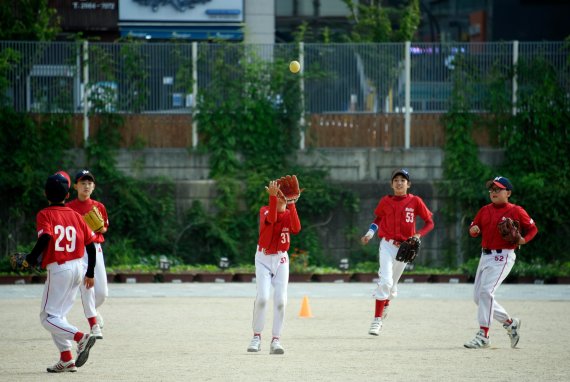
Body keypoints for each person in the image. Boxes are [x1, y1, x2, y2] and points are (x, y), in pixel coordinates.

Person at [24, 173, 98, 372]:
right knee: (58, 316)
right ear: (67, 194)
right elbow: (91, 246)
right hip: (77, 268)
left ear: (45, 194)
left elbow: (46, 237)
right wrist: (90, 272)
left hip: (60, 268)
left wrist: (30, 259)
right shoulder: (76, 215)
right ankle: (66, 359)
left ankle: (80, 338)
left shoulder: (45, 214)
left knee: (47, 317)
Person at [465, 176, 538, 349]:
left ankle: (484, 335)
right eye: (492, 189)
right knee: (479, 297)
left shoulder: (516, 210)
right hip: (485, 256)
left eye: (498, 189)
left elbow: (533, 228)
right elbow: (473, 229)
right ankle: (510, 323)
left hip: (503, 256)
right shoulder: (484, 210)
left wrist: (524, 240)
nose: (494, 192)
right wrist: (474, 230)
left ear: (508, 193)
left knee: (486, 292)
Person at [361, 168, 434, 336]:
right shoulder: (385, 201)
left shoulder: (415, 201)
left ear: (408, 184)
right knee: (385, 281)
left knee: (392, 287)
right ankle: (377, 320)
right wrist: (369, 234)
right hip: (386, 245)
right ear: (391, 184)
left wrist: (418, 234)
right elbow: (378, 219)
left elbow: (429, 223)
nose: (399, 182)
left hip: (405, 247)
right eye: (396, 180)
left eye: (403, 180)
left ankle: (386, 303)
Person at [247, 178, 302, 355]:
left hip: (281, 260)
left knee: (280, 301)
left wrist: (292, 203)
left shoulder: (288, 213)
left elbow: (296, 228)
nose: (281, 199)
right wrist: (272, 198)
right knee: (262, 298)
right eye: (279, 196)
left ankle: (276, 340)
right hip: (263, 258)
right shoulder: (265, 211)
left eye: (283, 197)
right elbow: (271, 219)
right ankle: (256, 337)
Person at [66, 169, 109, 340]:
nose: (86, 186)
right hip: (78, 251)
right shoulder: (68, 208)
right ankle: (94, 325)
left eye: (89, 183)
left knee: (102, 292)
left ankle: (93, 311)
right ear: (75, 186)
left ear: (94, 186)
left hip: (95, 249)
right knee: (87, 288)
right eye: (82, 183)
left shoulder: (98, 206)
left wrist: (100, 228)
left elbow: (104, 228)